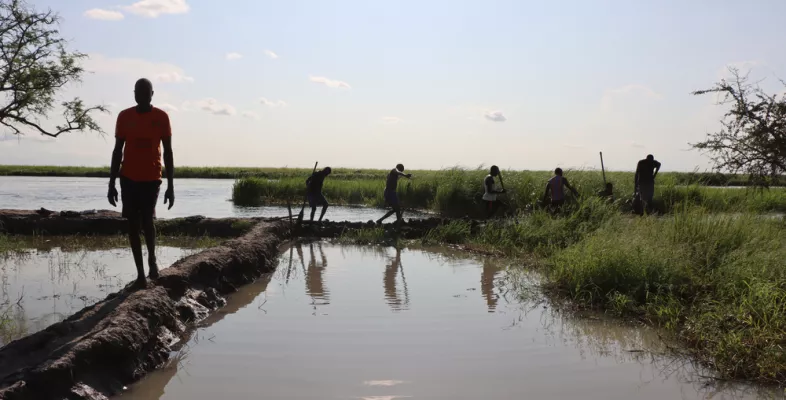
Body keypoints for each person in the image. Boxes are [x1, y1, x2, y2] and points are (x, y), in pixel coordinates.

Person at [108, 78, 175, 287]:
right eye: (138, 92)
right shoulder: (125, 116)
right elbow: (117, 150)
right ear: (134, 94)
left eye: (146, 92)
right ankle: (140, 274)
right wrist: (111, 183)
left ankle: (152, 261)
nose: (142, 96)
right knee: (132, 225)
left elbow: (169, 152)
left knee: (148, 220)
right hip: (128, 178)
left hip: (152, 178)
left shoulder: (161, 117)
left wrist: (171, 186)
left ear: (152, 94)